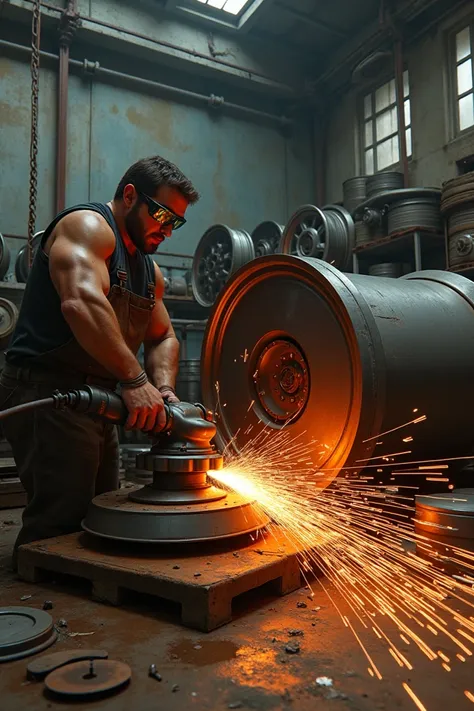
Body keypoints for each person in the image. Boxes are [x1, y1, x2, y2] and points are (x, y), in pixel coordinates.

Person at [0, 155, 199, 568]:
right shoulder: (88, 229)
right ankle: (34, 605)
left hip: (97, 397)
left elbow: (163, 336)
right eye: (162, 214)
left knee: (100, 511)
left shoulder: (150, 271)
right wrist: (134, 377)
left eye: (175, 222)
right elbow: (80, 302)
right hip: (49, 390)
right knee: (59, 522)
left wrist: (162, 390)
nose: (166, 228)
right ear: (130, 196)